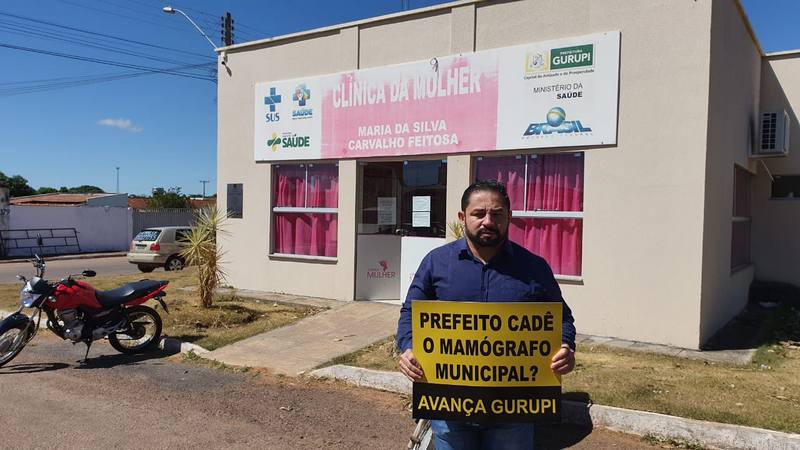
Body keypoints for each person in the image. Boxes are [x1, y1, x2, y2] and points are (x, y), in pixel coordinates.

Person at [396, 179, 577, 450]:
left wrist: (565, 346)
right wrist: (408, 347)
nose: (488, 221)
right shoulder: (436, 262)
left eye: (497, 214)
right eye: (479, 213)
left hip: (515, 408)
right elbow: (411, 310)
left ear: (509, 217)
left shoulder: (534, 267)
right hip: (449, 405)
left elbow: (561, 318)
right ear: (462, 217)